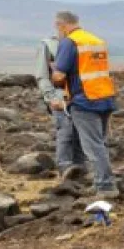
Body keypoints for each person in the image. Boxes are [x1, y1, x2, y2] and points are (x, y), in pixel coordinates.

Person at [50, 11, 119, 198]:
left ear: (62, 25)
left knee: (93, 146)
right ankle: (100, 182)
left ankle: (106, 187)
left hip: (84, 101)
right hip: (104, 97)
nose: (58, 31)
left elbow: (60, 74)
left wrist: (54, 75)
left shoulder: (69, 42)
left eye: (57, 27)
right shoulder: (96, 40)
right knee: (100, 143)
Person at [34, 34, 86, 179]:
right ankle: (65, 167)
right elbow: (42, 74)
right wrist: (51, 97)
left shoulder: (81, 43)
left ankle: (80, 169)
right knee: (66, 130)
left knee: (80, 132)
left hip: (79, 96)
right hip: (59, 95)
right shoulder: (48, 45)